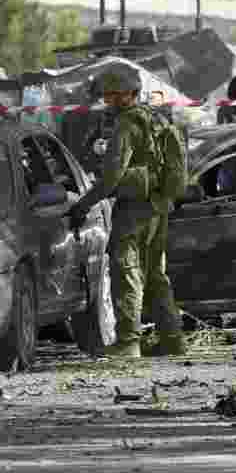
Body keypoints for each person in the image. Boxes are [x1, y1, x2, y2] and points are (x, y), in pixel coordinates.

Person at [67, 66, 159, 359]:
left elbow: (111, 178)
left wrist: (83, 205)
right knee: (153, 273)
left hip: (134, 207)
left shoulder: (127, 124)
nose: (107, 102)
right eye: (106, 96)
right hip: (154, 204)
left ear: (127, 95)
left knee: (126, 271)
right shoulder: (150, 118)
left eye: (111, 96)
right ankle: (168, 339)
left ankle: (129, 342)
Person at [140, 90, 188, 356]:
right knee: (154, 275)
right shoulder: (172, 130)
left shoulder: (156, 131)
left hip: (152, 207)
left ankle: (171, 338)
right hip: (161, 206)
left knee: (151, 275)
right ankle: (171, 337)